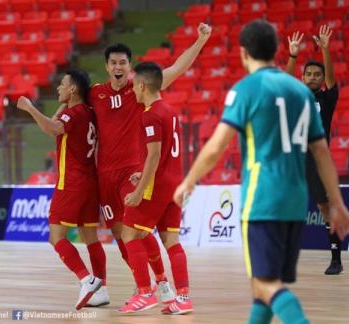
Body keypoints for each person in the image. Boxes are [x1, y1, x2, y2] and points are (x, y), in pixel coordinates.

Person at [173, 20, 349, 324]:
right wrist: (336, 202)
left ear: (243, 53)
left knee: (265, 284)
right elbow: (322, 152)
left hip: (263, 199)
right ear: (276, 50)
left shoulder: (247, 88)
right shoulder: (302, 94)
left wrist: (188, 181)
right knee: (265, 288)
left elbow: (216, 146)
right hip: (295, 202)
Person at [87, 22, 212, 305]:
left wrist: (200, 41)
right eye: (113, 63)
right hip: (105, 174)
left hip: (134, 171)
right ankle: (147, 284)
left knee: (135, 230)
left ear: (129, 66)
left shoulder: (141, 89)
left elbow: (178, 68)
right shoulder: (95, 94)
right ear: (107, 67)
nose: (118, 67)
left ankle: (159, 284)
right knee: (120, 234)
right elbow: (72, 100)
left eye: (123, 62)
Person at [16, 70, 106, 310]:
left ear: (73, 89)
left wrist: (30, 108)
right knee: (91, 240)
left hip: (71, 184)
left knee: (55, 237)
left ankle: (87, 280)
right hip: (90, 183)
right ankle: (101, 288)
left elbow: (55, 129)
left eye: (63, 85)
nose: (58, 88)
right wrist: (62, 106)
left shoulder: (73, 114)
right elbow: (59, 121)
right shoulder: (87, 112)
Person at [117, 62, 192, 315]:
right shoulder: (170, 110)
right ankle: (183, 298)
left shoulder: (149, 114)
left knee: (130, 235)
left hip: (156, 187)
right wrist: (143, 172)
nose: (133, 90)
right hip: (174, 184)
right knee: (172, 240)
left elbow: (155, 154)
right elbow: (164, 154)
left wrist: (139, 191)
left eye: (135, 84)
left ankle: (144, 294)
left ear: (142, 85)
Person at [286, 26, 343, 275]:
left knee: (325, 210)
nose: (312, 77)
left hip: (318, 164)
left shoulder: (327, 100)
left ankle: (336, 259)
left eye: (316, 74)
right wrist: (293, 56)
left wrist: (327, 50)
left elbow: (331, 79)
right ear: (302, 78)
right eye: (308, 74)